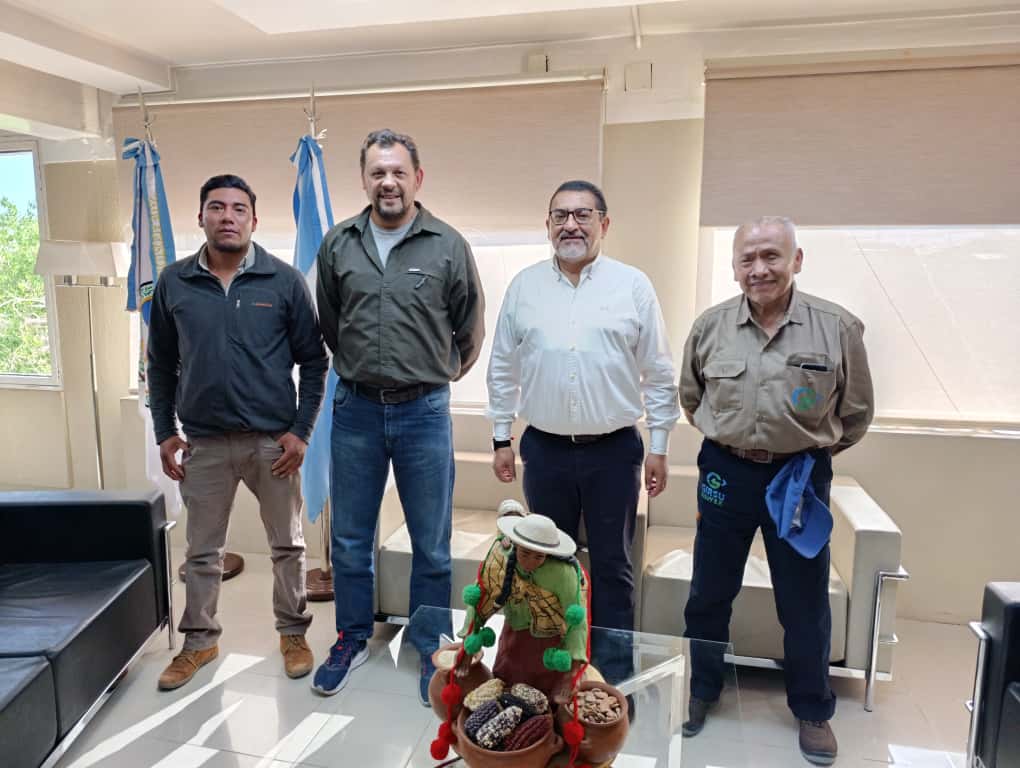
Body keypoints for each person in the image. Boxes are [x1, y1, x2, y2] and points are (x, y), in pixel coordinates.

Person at [678, 216, 874, 765]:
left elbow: (856, 413)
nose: (759, 269)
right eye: (748, 258)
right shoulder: (710, 326)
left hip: (799, 476)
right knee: (709, 592)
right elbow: (691, 399)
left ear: (797, 260)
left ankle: (812, 709)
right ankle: (702, 689)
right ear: (734, 265)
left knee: (804, 599)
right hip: (726, 472)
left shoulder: (837, 328)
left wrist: (805, 451)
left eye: (772, 256)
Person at [312, 129, 485, 703]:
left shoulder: (448, 245)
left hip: (424, 411)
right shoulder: (338, 244)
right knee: (350, 537)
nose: (388, 182)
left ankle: (430, 645)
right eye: (378, 172)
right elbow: (331, 323)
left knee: (431, 542)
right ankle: (352, 637)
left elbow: (469, 329)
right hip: (356, 410)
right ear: (364, 180)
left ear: (417, 178)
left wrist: (431, 373)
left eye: (398, 172)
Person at [486, 179, 680, 680]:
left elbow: (659, 371)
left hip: (614, 451)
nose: (570, 225)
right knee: (546, 565)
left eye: (583, 215)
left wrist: (659, 445)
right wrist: (501, 437)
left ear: (604, 224)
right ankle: (550, 675)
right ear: (547, 225)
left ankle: (608, 680)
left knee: (613, 566)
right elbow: (502, 366)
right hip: (544, 451)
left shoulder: (632, 286)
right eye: (560, 216)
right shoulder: (524, 287)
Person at [148, 174, 328, 690]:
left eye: (238, 208)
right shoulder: (174, 282)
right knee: (201, 552)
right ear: (200, 217)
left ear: (254, 219)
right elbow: (160, 365)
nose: (227, 216)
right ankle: (199, 643)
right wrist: (164, 431)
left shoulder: (284, 280)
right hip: (203, 443)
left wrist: (301, 432)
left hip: (273, 443)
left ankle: (293, 634)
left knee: (287, 546)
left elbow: (314, 362)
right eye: (216, 207)